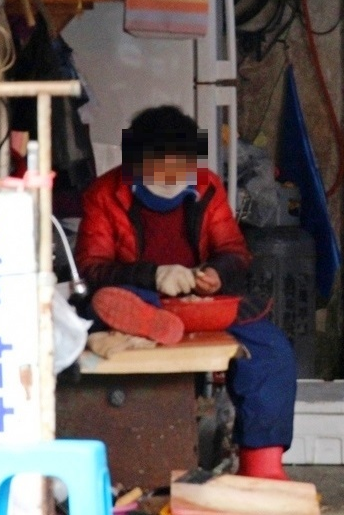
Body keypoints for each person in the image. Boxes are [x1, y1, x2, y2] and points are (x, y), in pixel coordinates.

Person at [74, 105, 297, 480]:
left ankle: (264, 464)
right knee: (113, 299)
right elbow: (92, 269)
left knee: (272, 349)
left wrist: (216, 273)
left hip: (200, 306)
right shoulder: (104, 193)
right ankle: (149, 319)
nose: (170, 179)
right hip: (139, 297)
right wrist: (154, 275)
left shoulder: (207, 185)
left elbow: (235, 252)